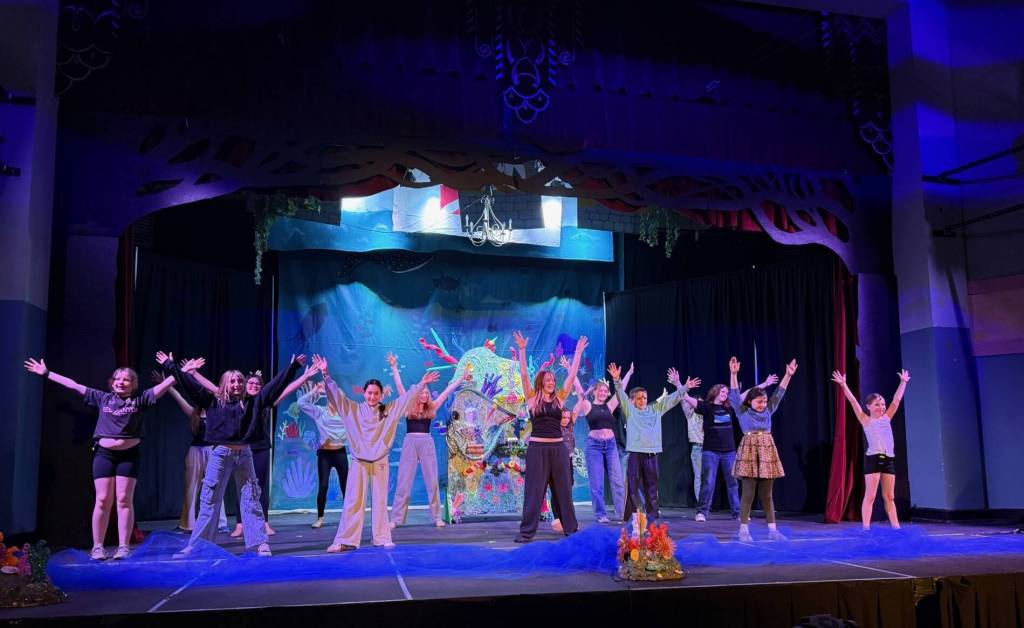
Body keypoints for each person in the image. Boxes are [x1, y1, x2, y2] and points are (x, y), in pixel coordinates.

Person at [24, 358, 175, 560]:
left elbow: (166, 384)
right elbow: (73, 385)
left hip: (128, 456)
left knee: (123, 500)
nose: (121, 382)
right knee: (103, 499)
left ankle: (123, 546)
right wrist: (46, 373)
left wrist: (178, 369)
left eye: (126, 380)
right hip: (104, 454)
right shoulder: (102, 398)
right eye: (117, 379)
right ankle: (98, 546)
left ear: (133, 384)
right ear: (112, 382)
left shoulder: (141, 400)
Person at [160, 352, 305, 558]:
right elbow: (188, 384)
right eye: (232, 381)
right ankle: (197, 545)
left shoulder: (254, 402)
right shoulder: (212, 401)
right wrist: (169, 365)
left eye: (240, 381)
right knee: (209, 499)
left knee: (251, 499)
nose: (237, 384)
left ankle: (260, 543)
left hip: (245, 455)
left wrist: (292, 367)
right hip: (220, 454)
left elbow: (275, 386)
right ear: (224, 384)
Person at [316, 355, 439, 551]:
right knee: (352, 501)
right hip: (359, 461)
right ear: (364, 393)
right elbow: (337, 397)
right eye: (369, 393)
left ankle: (382, 537)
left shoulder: (388, 410)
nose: (372, 397)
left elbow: (405, 399)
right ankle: (346, 540)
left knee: (380, 501)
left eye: (376, 394)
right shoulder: (353, 410)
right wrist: (326, 374)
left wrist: (421, 383)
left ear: (381, 395)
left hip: (380, 460)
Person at [511, 332, 587, 543]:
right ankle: (527, 532)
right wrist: (522, 350)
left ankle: (570, 529)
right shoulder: (532, 399)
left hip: (558, 450)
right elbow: (524, 376)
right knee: (534, 491)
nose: (552, 382)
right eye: (548, 379)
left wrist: (578, 352)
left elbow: (571, 377)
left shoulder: (559, 399)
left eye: (553, 379)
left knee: (563, 491)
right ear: (541, 382)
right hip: (537, 449)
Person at [387, 352, 470, 528]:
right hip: (410, 442)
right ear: (417, 393)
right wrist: (394, 367)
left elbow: (447, 391)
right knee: (403, 481)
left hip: (426, 443)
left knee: (432, 481)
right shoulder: (408, 405)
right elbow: (400, 386)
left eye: (426, 393)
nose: (424, 395)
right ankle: (395, 519)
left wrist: (461, 378)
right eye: (422, 392)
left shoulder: (432, 407)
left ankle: (437, 517)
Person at [149, 366, 228, 534]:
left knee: (215, 487)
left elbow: (216, 392)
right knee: (191, 487)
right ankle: (188, 523)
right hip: (195, 451)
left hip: (213, 451)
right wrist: (166, 384)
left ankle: (220, 523)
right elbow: (178, 397)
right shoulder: (194, 413)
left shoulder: (220, 411)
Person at [611, 363, 692, 522]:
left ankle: (652, 518)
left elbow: (673, 399)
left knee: (652, 488)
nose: (643, 400)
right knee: (632, 488)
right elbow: (620, 393)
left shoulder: (656, 409)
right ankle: (632, 519)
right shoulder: (630, 410)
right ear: (633, 400)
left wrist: (685, 387)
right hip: (635, 453)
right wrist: (616, 379)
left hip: (651, 455)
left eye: (645, 397)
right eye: (639, 398)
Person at [831, 369, 910, 530]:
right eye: (877, 405)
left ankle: (896, 528)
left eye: (882, 404)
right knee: (871, 495)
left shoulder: (887, 417)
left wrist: (903, 382)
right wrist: (844, 385)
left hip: (888, 460)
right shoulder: (865, 420)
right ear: (869, 406)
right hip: (873, 459)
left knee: (889, 496)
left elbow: (896, 400)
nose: (881, 407)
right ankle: (866, 528)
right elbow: (853, 402)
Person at [730, 356, 797, 542]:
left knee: (767, 494)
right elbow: (734, 393)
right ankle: (743, 529)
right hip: (749, 451)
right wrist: (733, 374)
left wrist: (788, 375)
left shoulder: (768, 410)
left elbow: (779, 392)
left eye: (764, 401)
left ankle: (773, 530)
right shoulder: (741, 411)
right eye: (759, 401)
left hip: (767, 451)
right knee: (748, 493)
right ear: (750, 402)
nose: (763, 404)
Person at [569, 361, 633, 523]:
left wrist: (628, 374)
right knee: (597, 483)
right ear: (595, 392)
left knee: (618, 481)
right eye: (601, 390)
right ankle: (601, 514)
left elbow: (621, 391)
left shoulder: (610, 405)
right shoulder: (588, 405)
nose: (604, 393)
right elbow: (578, 389)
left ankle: (621, 513)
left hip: (611, 446)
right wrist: (572, 370)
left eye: (606, 391)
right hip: (594, 447)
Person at [297, 380, 348, 529]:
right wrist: (315, 392)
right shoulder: (320, 412)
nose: (335, 401)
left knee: (345, 486)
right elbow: (300, 403)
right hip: (325, 454)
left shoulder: (346, 414)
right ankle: (320, 518)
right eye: (332, 397)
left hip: (340, 453)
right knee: (324, 485)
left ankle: (348, 517)